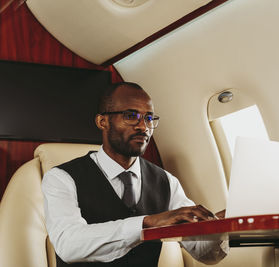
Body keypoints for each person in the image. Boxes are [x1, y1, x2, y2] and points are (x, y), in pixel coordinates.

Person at [42, 82, 228, 267]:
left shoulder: (166, 182)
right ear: (102, 121)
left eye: (148, 118)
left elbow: (207, 256)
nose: (143, 126)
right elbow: (68, 245)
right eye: (131, 116)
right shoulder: (61, 178)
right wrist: (148, 223)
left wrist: (218, 229)